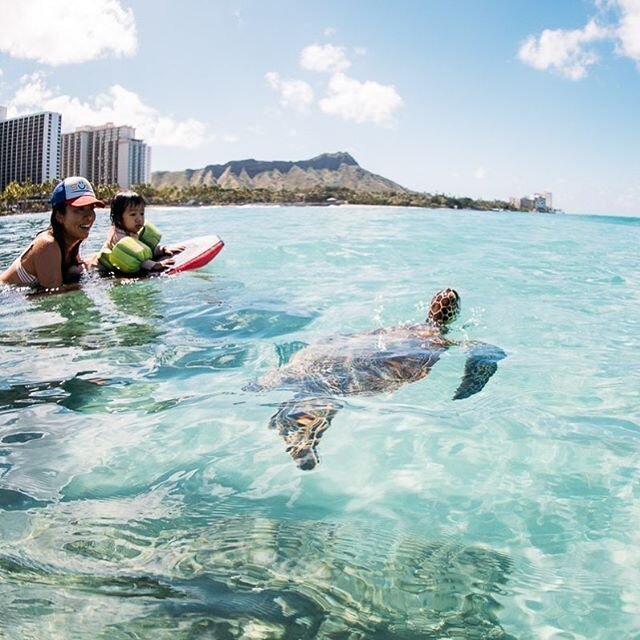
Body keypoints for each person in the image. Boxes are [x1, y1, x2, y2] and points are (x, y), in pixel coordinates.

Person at [249, 288, 507, 470]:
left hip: (317, 355)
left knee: (295, 381)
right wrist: (477, 377)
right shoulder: (439, 340)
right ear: (451, 315)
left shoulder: (398, 328)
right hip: (350, 377)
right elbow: (483, 354)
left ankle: (269, 386)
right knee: (324, 398)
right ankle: (300, 439)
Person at [0, 176, 104, 290]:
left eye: (91, 209)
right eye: (79, 209)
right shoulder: (47, 245)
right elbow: (54, 297)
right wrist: (112, 283)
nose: (89, 217)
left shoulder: (70, 243)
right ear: (59, 216)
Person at [97, 191, 183, 274]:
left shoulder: (132, 231)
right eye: (133, 214)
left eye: (141, 213)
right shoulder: (118, 237)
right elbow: (133, 257)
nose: (139, 219)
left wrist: (163, 250)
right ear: (118, 219)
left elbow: (144, 248)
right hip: (107, 271)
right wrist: (154, 265)